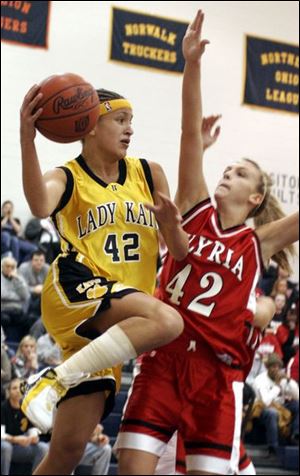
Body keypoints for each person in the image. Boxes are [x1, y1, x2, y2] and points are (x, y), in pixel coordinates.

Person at [114, 10, 299, 475]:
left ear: (255, 197)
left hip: (217, 379)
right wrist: (191, 63)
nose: (226, 173)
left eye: (238, 173)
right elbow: (187, 132)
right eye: (226, 167)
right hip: (162, 361)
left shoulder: (257, 241)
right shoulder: (193, 205)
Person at [19, 80, 188, 474]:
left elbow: (178, 251)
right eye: (121, 120)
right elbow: (39, 203)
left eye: (133, 121)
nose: (130, 129)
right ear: (89, 124)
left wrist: (172, 226)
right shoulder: (69, 176)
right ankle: (53, 378)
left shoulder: (149, 173)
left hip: (113, 325)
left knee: (68, 449)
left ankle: (55, 380)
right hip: (75, 289)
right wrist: (27, 140)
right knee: (167, 320)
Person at [252, 352, 299, 453]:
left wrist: (289, 381)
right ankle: (273, 447)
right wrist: (277, 386)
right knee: (272, 413)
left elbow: (297, 396)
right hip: (262, 409)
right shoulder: (260, 380)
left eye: (278, 367)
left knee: (297, 405)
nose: (276, 369)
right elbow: (265, 401)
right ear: (267, 367)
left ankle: (296, 435)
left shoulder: (282, 378)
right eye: (273, 367)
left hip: (280, 406)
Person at [1, 378, 48, 475]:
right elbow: (1, 434)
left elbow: (32, 428)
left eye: (20, 388)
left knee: (43, 448)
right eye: (14, 388)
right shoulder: (3, 407)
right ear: (9, 392)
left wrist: (33, 437)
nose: (18, 390)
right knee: (6, 447)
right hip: (5, 444)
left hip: (19, 447)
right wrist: (15, 439)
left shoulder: (26, 407)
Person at [1, 256, 31, 341]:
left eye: (12, 267)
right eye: (7, 266)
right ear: (2, 267)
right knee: (5, 319)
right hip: (3, 309)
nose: (10, 269)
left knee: (27, 319)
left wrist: (17, 280)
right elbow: (3, 294)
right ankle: (4, 343)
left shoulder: (18, 278)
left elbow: (26, 295)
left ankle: (22, 343)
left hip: (16, 309)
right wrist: (18, 297)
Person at [1, 200, 38, 264]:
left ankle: (20, 264)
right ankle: (13, 262)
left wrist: (10, 218)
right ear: (2, 209)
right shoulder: (2, 218)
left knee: (34, 249)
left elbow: (18, 230)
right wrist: (6, 217)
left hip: (16, 240)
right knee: (6, 235)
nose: (8, 209)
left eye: (10, 208)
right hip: (4, 240)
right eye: (6, 207)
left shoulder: (16, 220)